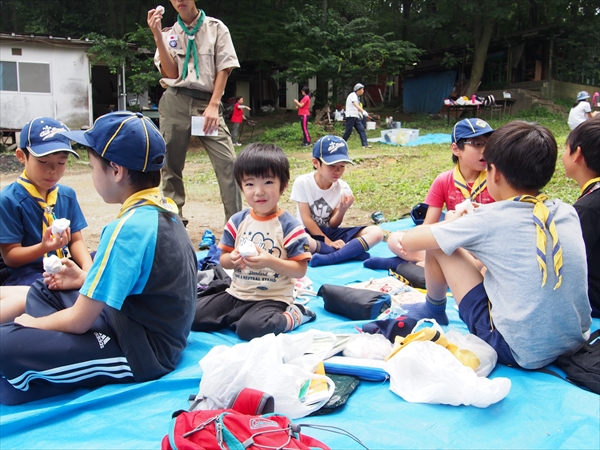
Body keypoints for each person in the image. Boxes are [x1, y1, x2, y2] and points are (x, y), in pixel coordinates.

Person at [0, 111, 197, 405]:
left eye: (93, 167)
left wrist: (31, 323)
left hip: (142, 350)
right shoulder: (161, 208)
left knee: (7, 343)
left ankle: (39, 371)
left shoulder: (127, 228)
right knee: (46, 289)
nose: (92, 175)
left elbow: (79, 321)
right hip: (126, 318)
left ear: (116, 170)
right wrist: (83, 279)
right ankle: (43, 361)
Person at [399, 121, 591, 369]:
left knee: (440, 244)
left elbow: (410, 239)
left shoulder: (488, 220)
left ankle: (433, 308)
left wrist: (453, 220)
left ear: (495, 172)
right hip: (574, 340)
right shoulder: (565, 211)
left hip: (519, 350)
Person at [191, 143, 314, 341]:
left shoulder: (289, 225)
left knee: (252, 329)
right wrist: (232, 259)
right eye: (249, 184)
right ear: (241, 187)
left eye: (267, 182)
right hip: (238, 293)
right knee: (193, 315)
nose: (259, 191)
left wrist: (268, 261)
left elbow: (300, 269)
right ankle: (238, 316)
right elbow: (223, 259)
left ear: (283, 185)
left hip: (273, 298)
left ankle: (296, 314)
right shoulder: (237, 221)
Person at [147, 1, 242, 225]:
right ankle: (174, 224)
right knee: (170, 164)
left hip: (206, 102)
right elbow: (170, 72)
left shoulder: (216, 28)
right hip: (175, 100)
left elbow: (224, 68)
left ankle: (236, 224)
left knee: (227, 162)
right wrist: (157, 36)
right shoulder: (170, 33)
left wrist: (213, 104)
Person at [365, 118, 495, 271]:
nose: (486, 150)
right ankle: (436, 269)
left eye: (489, 144)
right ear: (456, 149)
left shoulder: (496, 178)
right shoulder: (444, 180)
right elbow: (428, 226)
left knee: (485, 264)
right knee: (395, 240)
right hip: (452, 245)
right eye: (478, 144)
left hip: (484, 249)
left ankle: (411, 267)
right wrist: (450, 221)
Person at [0, 117, 93, 287]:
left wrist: (88, 270)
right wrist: (43, 247)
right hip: (27, 272)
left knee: (105, 261)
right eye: (43, 162)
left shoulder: (67, 195)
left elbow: (76, 241)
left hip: (63, 263)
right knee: (43, 290)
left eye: (61, 162)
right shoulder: (8, 200)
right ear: (21, 156)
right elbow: (10, 257)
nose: (52, 170)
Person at [290, 135, 384, 267]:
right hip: (308, 232)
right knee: (301, 239)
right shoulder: (303, 182)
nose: (338, 171)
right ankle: (348, 252)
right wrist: (328, 242)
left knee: (377, 233)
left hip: (331, 233)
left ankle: (331, 257)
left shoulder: (343, 187)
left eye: (342, 166)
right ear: (316, 163)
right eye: (332, 165)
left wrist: (342, 209)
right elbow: (307, 219)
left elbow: (333, 225)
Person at [562, 115, 600, 318]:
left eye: (566, 148)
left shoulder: (587, 208)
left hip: (593, 303)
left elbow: (568, 265)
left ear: (577, 154)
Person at [342, 83, 371, 149]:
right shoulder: (353, 95)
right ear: (358, 90)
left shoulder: (357, 97)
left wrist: (360, 114)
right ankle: (341, 144)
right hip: (350, 117)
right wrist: (363, 111)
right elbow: (356, 105)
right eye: (362, 89)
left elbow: (356, 108)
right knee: (348, 132)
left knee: (362, 130)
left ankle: (365, 145)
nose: (363, 91)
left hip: (355, 117)